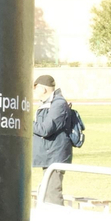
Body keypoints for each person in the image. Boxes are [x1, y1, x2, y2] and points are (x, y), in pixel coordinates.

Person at [32, 74, 73, 205]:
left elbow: (45, 129)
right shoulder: (50, 103)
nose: (34, 91)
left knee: (53, 194)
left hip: (55, 156)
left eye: (36, 88)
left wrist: (24, 121)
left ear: (43, 89)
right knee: (47, 193)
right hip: (49, 155)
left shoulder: (58, 104)